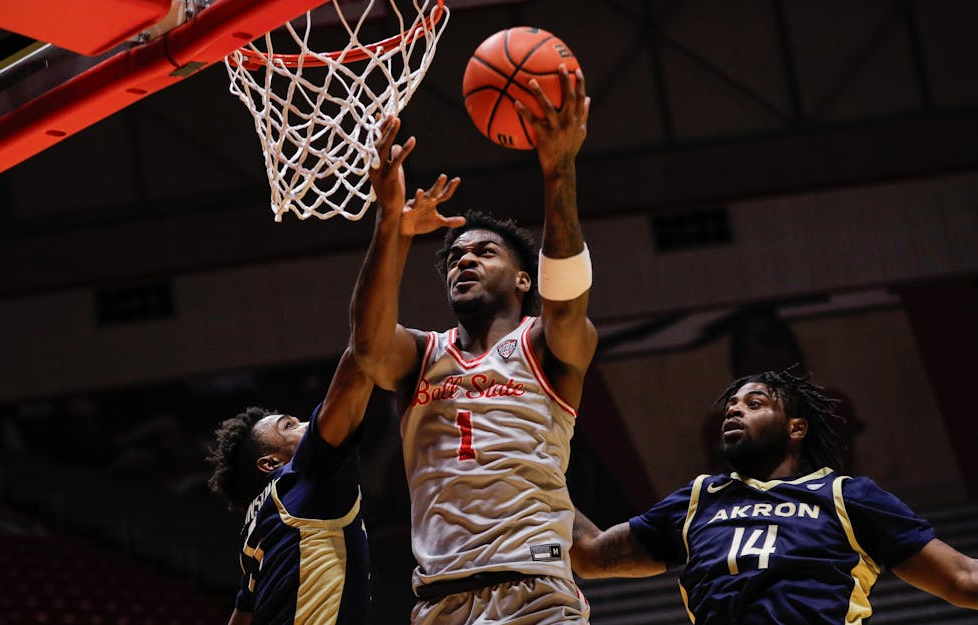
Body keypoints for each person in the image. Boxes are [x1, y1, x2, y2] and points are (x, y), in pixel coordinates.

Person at [350, 65, 596, 624]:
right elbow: (366, 346)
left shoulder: (546, 345)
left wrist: (559, 171)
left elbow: (568, 299)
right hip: (441, 602)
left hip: (535, 590)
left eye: (485, 252)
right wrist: (390, 220)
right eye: (457, 255)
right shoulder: (421, 356)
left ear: (523, 279)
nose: (465, 258)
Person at [571, 369, 978, 624]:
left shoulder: (845, 495)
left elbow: (963, 579)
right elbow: (590, 555)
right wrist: (535, 474)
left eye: (754, 403)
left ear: (795, 429)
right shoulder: (698, 499)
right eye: (731, 406)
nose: (734, 411)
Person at [206, 347, 374, 625]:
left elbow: (243, 613)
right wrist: (372, 338)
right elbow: (350, 378)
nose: (306, 425)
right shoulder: (303, 478)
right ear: (271, 463)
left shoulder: (257, 523)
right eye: (288, 426)